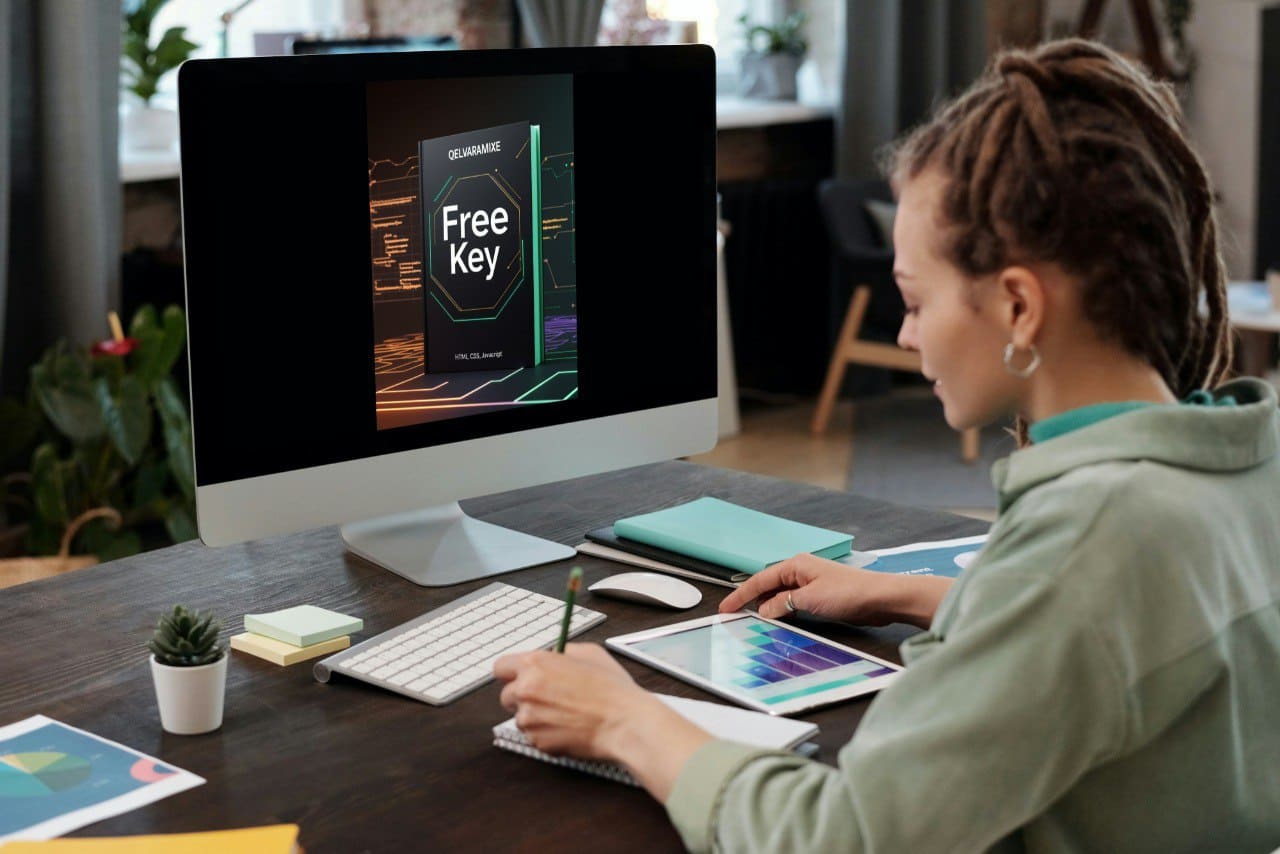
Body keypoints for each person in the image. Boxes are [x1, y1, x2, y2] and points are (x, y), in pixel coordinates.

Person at [493, 38, 1280, 852]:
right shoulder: (1242, 458)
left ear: (1018, 308)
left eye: (913, 300)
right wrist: (910, 594)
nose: (905, 336)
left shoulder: (1087, 537)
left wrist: (628, 722)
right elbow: (1128, 630)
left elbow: (846, 839)